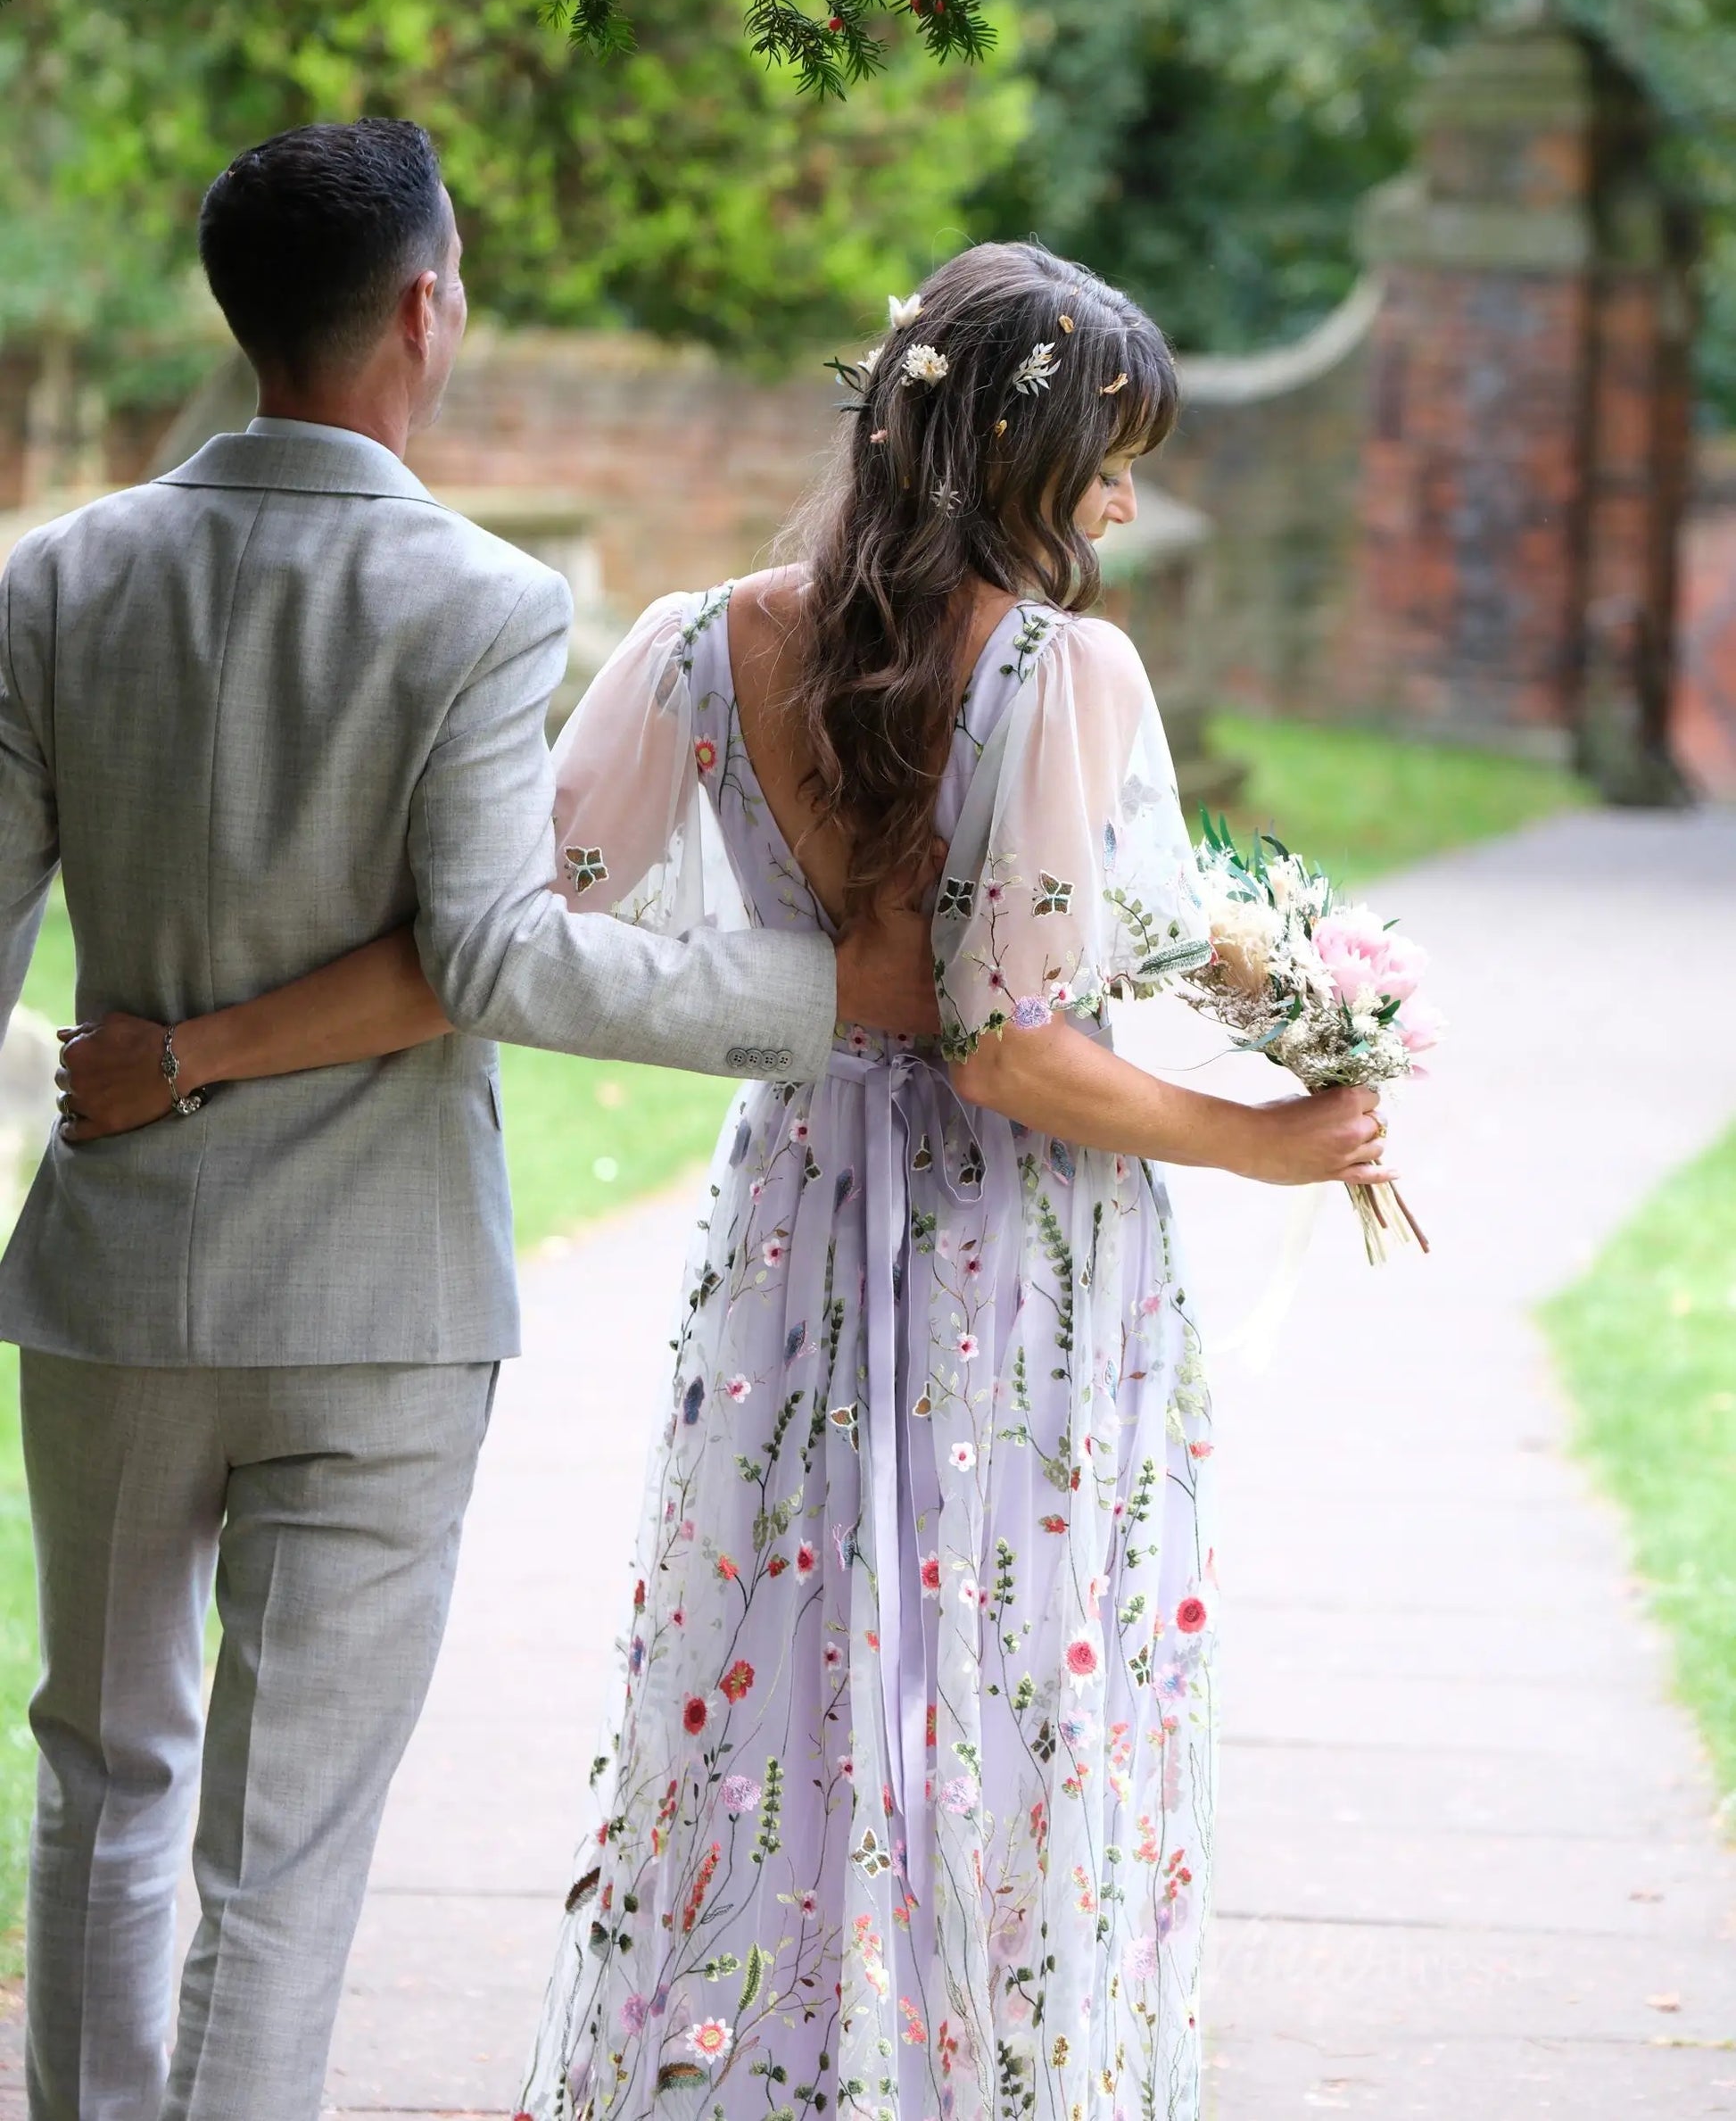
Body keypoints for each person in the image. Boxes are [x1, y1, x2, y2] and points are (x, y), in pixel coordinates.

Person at [61, 240, 1391, 2121]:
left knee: (795, 1662)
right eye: (1104, 464)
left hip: (799, 1213)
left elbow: (486, 943)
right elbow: (1008, 1046)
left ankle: (779, 2070)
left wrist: (198, 1048)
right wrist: (1266, 1138)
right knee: (1003, 1676)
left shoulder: (701, 643)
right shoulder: (1066, 666)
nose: (1118, 506)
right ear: (1012, 460)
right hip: (1013, 1249)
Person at [6, 119, 936, 2121]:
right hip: (382, 1298)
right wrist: (812, 993)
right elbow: (499, 953)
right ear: (425, 306)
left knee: (102, 1772)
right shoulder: (484, 600)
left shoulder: (58, 575)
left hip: (111, 1281)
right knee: (284, 1846)